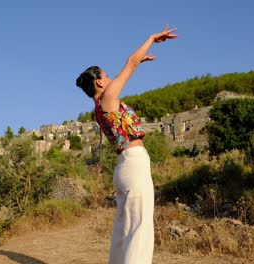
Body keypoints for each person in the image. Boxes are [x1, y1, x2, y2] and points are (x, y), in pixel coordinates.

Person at [75, 25, 177, 264]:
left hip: (125, 166)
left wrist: (138, 62)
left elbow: (132, 64)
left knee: (125, 229)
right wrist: (151, 38)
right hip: (133, 163)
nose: (110, 79)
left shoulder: (99, 108)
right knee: (139, 230)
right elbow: (130, 62)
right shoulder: (108, 100)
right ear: (99, 83)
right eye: (106, 76)